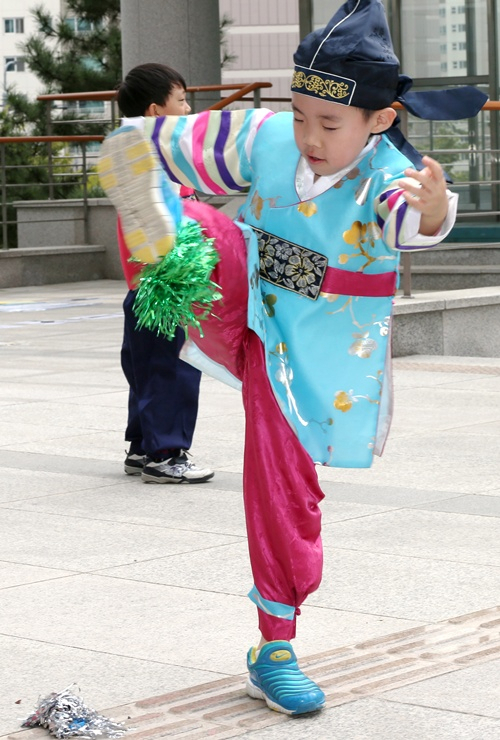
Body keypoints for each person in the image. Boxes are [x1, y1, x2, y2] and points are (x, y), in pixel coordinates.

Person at [98, 0, 487, 714]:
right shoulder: (267, 136)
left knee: (284, 492)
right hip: (243, 297)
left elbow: (413, 219)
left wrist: (433, 209)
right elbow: (175, 137)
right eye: (301, 114)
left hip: (310, 357)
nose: (308, 135)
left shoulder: (385, 178)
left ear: (380, 121)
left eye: (329, 124)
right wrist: (137, 148)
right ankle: (162, 246)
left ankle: (272, 646)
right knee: (192, 217)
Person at [115, 63, 213, 484]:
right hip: (164, 280)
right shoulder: (156, 153)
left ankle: (142, 446)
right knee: (173, 365)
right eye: (182, 101)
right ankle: (166, 454)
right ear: (157, 110)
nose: (188, 109)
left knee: (145, 364)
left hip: (143, 281)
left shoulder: (126, 146)